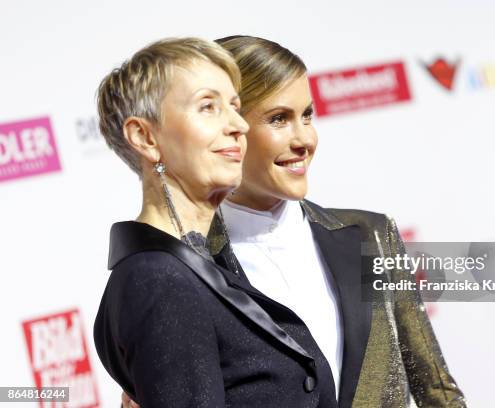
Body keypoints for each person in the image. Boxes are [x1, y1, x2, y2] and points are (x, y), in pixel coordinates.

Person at [121, 35, 467, 408]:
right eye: (279, 119)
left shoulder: (373, 236)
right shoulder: (183, 272)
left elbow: (437, 390)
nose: (305, 139)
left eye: (307, 115)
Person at [94, 37, 338, 407]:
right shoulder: (159, 279)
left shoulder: (194, 265)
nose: (238, 125)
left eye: (235, 107)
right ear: (144, 136)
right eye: (208, 107)